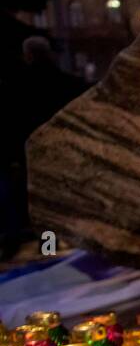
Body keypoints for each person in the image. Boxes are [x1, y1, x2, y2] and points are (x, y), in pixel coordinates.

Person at [2, 36, 88, 259]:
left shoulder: (17, 85)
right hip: (62, 149)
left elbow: (11, 122)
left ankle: (45, 245)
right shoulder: (66, 82)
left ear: (27, 55)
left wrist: (12, 155)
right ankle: (58, 242)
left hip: (30, 152)